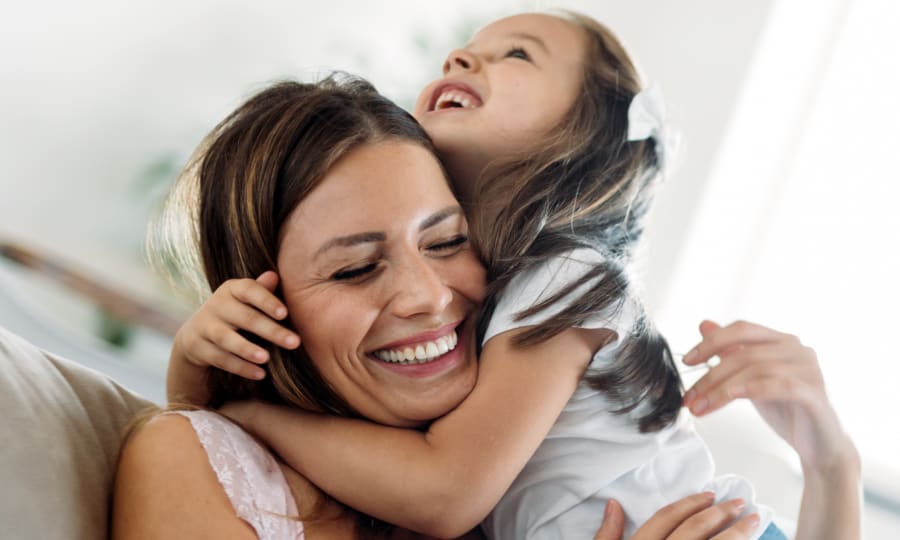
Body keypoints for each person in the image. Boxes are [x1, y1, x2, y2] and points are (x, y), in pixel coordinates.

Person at [166, 11, 860, 540]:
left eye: (517, 54)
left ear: (581, 141)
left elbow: (446, 491)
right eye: (356, 266)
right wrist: (200, 374)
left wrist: (251, 413)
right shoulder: (490, 307)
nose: (462, 55)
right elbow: (197, 447)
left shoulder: (567, 278)